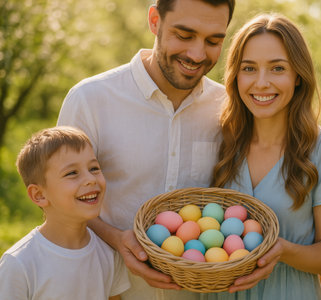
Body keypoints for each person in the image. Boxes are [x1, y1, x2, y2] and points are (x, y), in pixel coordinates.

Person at [57, 0, 235, 299]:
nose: (197, 54)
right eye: (184, 34)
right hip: (106, 289)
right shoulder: (91, 99)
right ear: (155, 20)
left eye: (213, 40)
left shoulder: (228, 107)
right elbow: (57, 202)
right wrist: (116, 239)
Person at [209, 13, 321, 299]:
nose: (261, 83)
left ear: (298, 75)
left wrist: (281, 250)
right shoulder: (223, 142)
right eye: (249, 68)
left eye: (277, 68)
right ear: (235, 76)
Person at [0, 126, 130, 300]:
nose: (91, 180)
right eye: (72, 173)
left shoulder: (108, 254)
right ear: (39, 195)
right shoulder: (19, 263)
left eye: (94, 168)